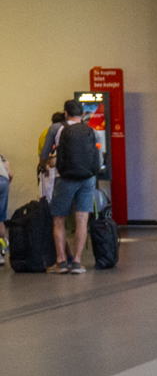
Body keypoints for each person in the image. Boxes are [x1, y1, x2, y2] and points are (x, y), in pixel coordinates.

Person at [48, 99, 101, 274]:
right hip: (87, 178)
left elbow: (48, 155)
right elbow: (99, 159)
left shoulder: (57, 129)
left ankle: (61, 261)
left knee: (59, 219)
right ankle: (77, 262)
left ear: (65, 113)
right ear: (83, 114)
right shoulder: (92, 131)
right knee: (82, 219)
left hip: (65, 178)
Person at [37, 109, 65, 204]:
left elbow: (41, 152)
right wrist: (46, 165)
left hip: (45, 166)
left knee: (45, 196)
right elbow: (48, 152)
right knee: (51, 198)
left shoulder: (45, 132)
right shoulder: (55, 133)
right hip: (50, 168)